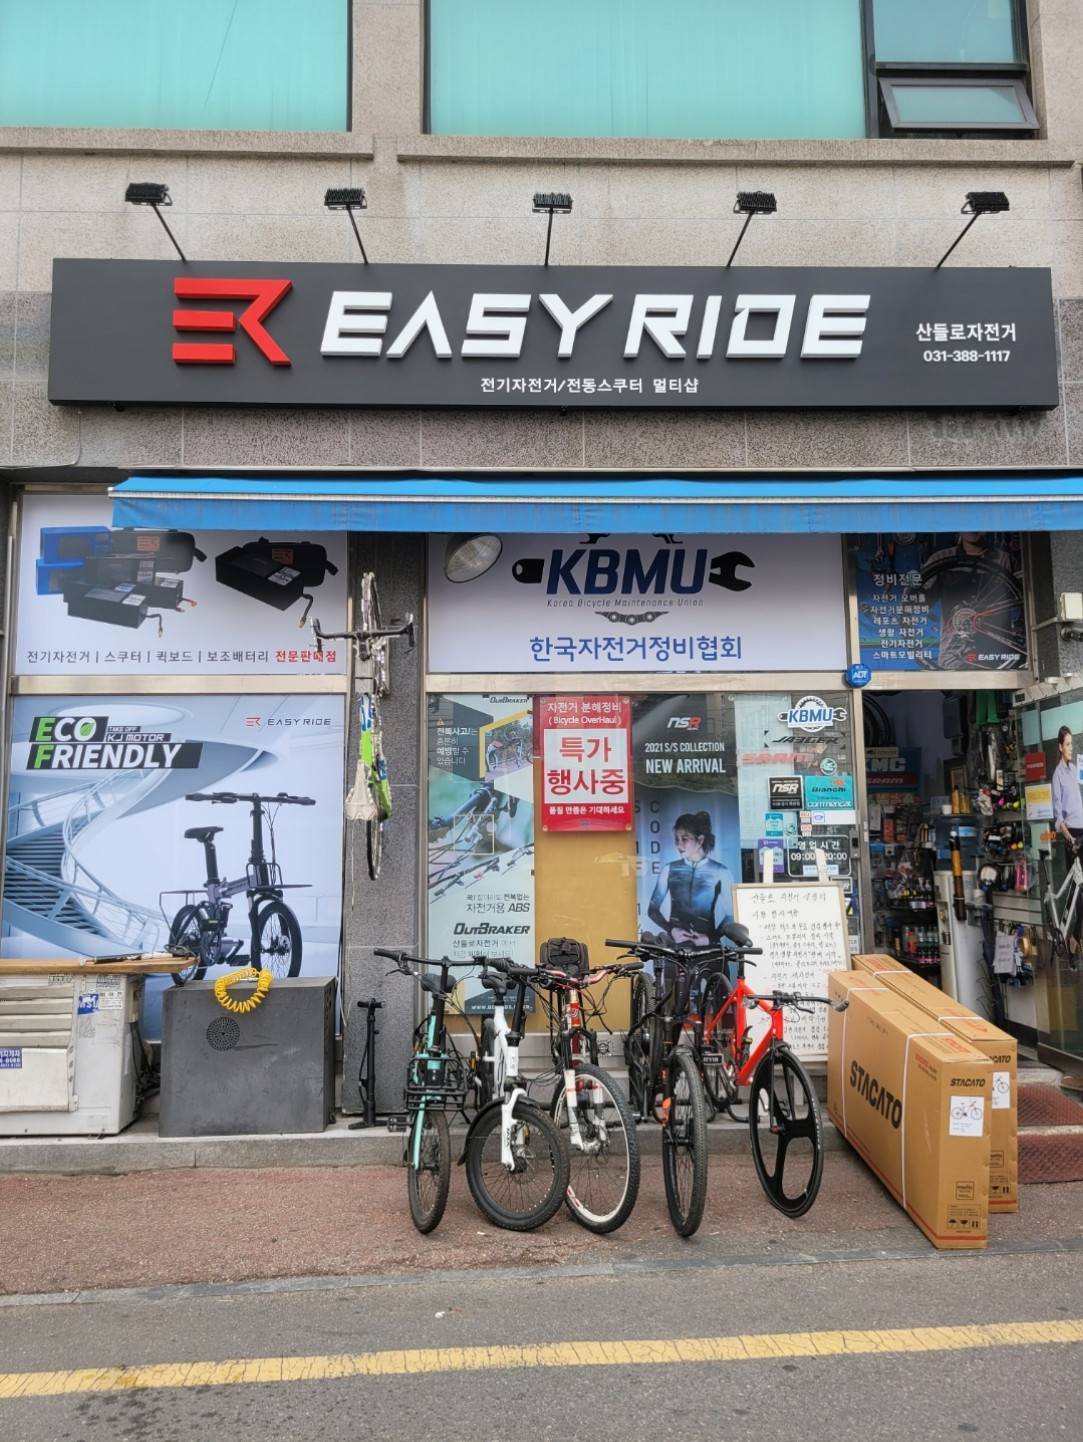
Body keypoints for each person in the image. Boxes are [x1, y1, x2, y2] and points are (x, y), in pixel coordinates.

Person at [919, 533, 1022, 669]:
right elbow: (919, 600)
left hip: (996, 653)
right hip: (953, 653)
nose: (973, 528)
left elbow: (1023, 602)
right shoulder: (940, 559)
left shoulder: (1004, 560)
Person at [647, 811, 733, 949]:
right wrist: (671, 930)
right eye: (676, 839)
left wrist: (710, 938)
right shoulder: (669, 869)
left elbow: (732, 914)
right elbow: (653, 910)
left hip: (707, 949)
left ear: (700, 840)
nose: (678, 845)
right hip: (675, 948)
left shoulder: (721, 872)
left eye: (684, 839)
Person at [1051, 725, 1083, 860]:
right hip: (1072, 833)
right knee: (1076, 874)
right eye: (1067, 744)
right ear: (1060, 747)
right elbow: (1058, 816)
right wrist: (1071, 840)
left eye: (1071, 744)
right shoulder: (1057, 775)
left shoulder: (1074, 769)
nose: (1071, 748)